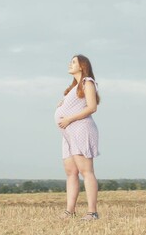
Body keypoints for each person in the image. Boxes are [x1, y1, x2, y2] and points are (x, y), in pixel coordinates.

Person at [54, 54, 100, 221]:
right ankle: (70, 211)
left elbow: (92, 107)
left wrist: (69, 119)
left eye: (74, 62)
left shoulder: (87, 82)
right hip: (68, 133)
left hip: (80, 130)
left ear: (82, 66)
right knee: (71, 172)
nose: (70, 64)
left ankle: (92, 212)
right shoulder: (73, 88)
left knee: (86, 171)